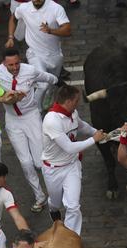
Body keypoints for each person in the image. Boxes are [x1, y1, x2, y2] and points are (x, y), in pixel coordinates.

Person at [0, 49, 58, 212]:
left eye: (17, 63)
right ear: (4, 63)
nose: (14, 67)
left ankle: (54, 192)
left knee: (40, 161)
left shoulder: (30, 71)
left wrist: (45, 94)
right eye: (10, 64)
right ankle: (40, 197)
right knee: (25, 162)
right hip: (12, 121)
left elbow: (51, 78)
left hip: (31, 117)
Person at [41, 85, 105, 231]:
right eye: (76, 100)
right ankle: (53, 209)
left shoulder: (73, 113)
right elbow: (69, 147)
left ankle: (70, 237)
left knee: (73, 206)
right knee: (56, 203)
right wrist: (94, 140)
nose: (79, 103)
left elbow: (82, 126)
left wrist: (100, 133)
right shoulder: (52, 120)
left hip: (72, 165)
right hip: (53, 169)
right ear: (68, 101)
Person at [7, 0, 71, 105]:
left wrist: (51, 31)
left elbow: (67, 30)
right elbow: (13, 18)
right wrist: (10, 37)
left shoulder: (56, 8)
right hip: (35, 54)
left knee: (52, 82)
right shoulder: (24, 8)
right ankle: (35, 108)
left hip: (55, 55)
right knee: (43, 85)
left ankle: (49, 95)